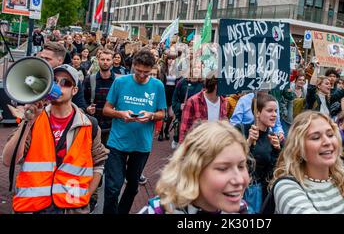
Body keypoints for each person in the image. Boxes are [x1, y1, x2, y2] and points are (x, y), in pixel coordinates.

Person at [2, 64, 108, 214]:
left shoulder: (89, 124)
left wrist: (85, 197)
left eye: (66, 83)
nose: (59, 86)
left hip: (70, 208)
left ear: (74, 90)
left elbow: (98, 164)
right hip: (33, 207)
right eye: (54, 81)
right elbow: (8, 160)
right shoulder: (34, 119)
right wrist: (27, 122)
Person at [102, 49, 166, 214]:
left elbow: (162, 113)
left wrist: (151, 115)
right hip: (117, 142)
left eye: (146, 72)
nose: (142, 75)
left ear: (152, 69)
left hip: (141, 144)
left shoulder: (157, 86)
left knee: (132, 186)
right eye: (138, 71)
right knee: (113, 187)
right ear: (132, 66)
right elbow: (106, 110)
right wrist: (120, 114)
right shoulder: (120, 82)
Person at [138, 121, 250, 214]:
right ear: (193, 169)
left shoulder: (241, 209)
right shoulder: (158, 211)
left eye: (241, 166)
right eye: (223, 168)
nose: (239, 180)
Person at [243, 93, 282, 212]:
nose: (274, 114)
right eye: (269, 111)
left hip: (265, 195)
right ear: (257, 113)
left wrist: (277, 150)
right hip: (246, 193)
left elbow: (274, 170)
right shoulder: (242, 130)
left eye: (275, 111)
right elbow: (233, 160)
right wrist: (248, 142)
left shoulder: (273, 136)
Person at [179, 75, 228, 144]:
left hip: (217, 147)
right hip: (198, 147)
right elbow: (184, 130)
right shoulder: (193, 101)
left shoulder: (223, 102)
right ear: (216, 85)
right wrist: (184, 151)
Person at [38, 42, 87, 111]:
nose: (43, 61)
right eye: (41, 58)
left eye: (47, 59)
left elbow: (81, 107)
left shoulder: (72, 79)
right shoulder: (36, 76)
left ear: (60, 60)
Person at [84, 49, 115, 145]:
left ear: (112, 61)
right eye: (102, 59)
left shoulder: (118, 81)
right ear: (98, 60)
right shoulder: (89, 79)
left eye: (108, 59)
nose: (105, 62)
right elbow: (82, 99)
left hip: (112, 126)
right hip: (94, 125)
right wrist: (87, 108)